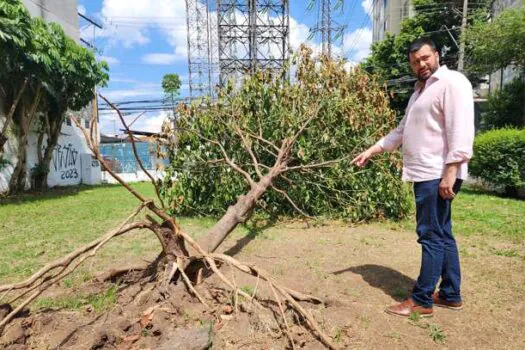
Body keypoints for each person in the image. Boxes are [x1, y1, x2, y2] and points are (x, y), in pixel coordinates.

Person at [351, 37, 474, 318]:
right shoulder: (419, 92)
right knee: (442, 233)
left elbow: (461, 128)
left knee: (430, 235)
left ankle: (421, 300)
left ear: (437, 55)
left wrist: (451, 171)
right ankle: (451, 294)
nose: (421, 64)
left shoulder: (452, 82)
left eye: (425, 58)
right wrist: (371, 151)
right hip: (427, 173)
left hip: (437, 172)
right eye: (415, 62)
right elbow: (401, 131)